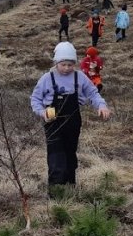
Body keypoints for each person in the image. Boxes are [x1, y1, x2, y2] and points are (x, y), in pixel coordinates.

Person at [30, 41, 111, 196]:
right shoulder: (47, 78)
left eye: (70, 64)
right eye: (63, 64)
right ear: (56, 62)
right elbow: (35, 99)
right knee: (56, 159)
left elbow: (93, 93)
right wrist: (42, 112)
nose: (67, 68)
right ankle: (55, 196)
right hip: (52, 124)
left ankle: (70, 191)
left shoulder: (80, 77)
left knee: (70, 156)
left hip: (73, 122)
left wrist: (101, 106)